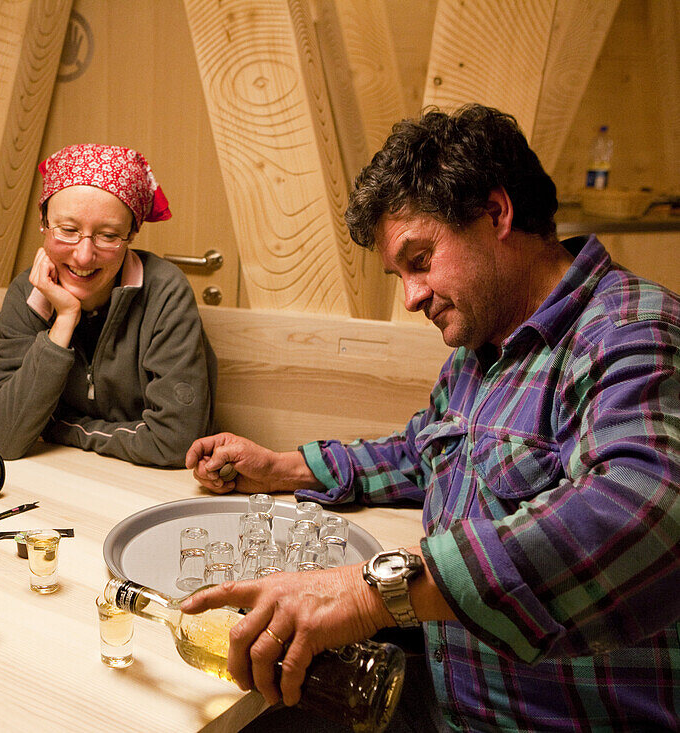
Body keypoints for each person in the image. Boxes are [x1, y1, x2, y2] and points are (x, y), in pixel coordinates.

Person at [184, 105, 680, 731]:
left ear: (498, 214)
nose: (412, 296)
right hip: (446, 701)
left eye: (419, 260)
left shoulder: (628, 330)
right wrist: (285, 467)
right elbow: (425, 452)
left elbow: (646, 513)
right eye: (400, 274)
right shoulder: (482, 347)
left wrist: (373, 592)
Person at [0, 144, 216, 467]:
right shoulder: (27, 294)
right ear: (43, 221)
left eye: (107, 235)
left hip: (147, 488)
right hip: (60, 482)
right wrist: (64, 319)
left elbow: (176, 441)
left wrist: (60, 429)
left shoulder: (165, 293)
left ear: (132, 233)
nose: (84, 256)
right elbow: (2, 437)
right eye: (68, 230)